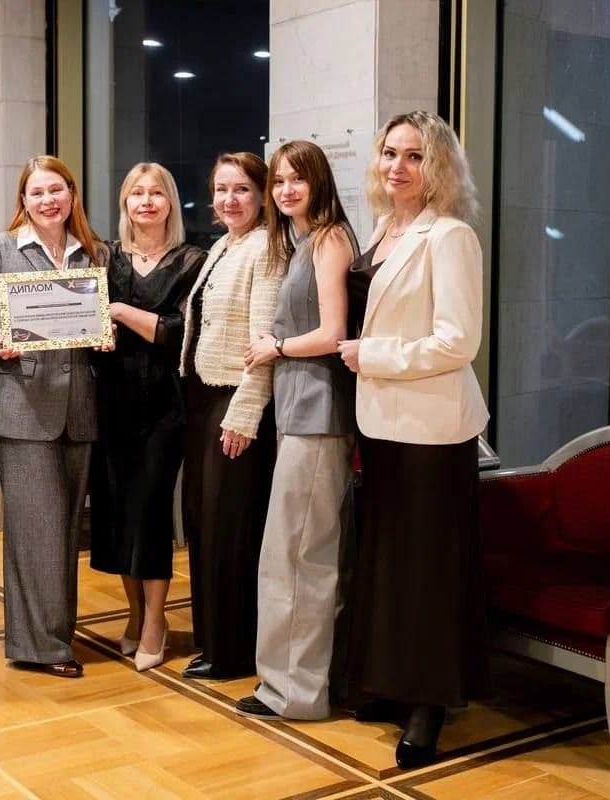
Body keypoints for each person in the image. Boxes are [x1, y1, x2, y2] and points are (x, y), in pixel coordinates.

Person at [336, 110, 490, 769]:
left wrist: (371, 355)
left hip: (432, 430)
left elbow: (458, 342)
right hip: (381, 424)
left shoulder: (450, 236)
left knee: (428, 569)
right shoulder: (382, 229)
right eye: (390, 153)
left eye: (415, 155)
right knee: (391, 562)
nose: (397, 166)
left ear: (439, 166)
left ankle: (430, 705)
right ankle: (394, 683)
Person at [232, 141, 357, 721]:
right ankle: (283, 684)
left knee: (303, 556)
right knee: (291, 553)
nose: (285, 190)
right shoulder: (302, 241)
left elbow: (333, 333)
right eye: (279, 180)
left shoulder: (329, 239)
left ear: (318, 182)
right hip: (299, 411)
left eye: (296, 179)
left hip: (319, 414)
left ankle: (296, 693)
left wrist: (275, 347)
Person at [0, 155, 106, 679]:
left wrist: (106, 333)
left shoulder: (93, 252)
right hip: (23, 406)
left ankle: (55, 634)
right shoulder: (0, 249)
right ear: (23, 201)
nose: (48, 200)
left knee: (66, 529)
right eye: (37, 193)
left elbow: (98, 319)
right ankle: (43, 647)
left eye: (56, 190)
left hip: (79, 406)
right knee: (36, 530)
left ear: (71, 194)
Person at [89, 162, 203, 671]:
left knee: (151, 512)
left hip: (165, 405)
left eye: (157, 193)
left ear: (170, 203)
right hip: (110, 403)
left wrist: (119, 313)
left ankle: (156, 620)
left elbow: (180, 331)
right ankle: (134, 614)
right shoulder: (106, 257)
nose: (147, 201)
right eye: (137, 193)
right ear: (125, 204)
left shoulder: (192, 260)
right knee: (118, 513)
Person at [179, 152, 282, 681]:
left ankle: (233, 650)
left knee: (230, 529)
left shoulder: (267, 248)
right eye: (221, 190)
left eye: (241, 189)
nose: (229, 199)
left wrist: (244, 413)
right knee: (204, 522)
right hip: (203, 397)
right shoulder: (224, 244)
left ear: (262, 195)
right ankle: (212, 641)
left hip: (234, 401)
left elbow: (264, 342)